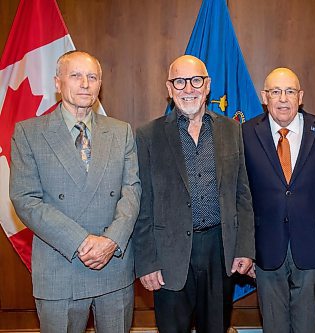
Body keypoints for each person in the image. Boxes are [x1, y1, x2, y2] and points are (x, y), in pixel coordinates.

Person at [9, 50, 141, 332]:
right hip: (60, 266)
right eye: (76, 75)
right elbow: (25, 199)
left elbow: (132, 191)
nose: (85, 83)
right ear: (58, 83)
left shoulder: (121, 132)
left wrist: (111, 241)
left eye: (92, 77)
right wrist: (81, 241)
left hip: (113, 266)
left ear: (100, 84)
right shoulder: (29, 133)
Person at [132, 55, 255, 333]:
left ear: (208, 85)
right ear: (169, 88)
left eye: (196, 80)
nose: (188, 89)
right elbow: (142, 205)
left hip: (220, 250)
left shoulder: (231, 129)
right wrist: (147, 262)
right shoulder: (148, 135)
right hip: (169, 256)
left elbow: (242, 194)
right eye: (179, 81)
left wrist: (245, 247)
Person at [242, 68, 315, 332]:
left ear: (300, 96)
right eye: (276, 92)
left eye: (290, 91)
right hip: (266, 247)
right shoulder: (245, 133)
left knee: (307, 325)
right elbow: (241, 196)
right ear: (264, 97)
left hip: (311, 246)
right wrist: (246, 249)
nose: (283, 98)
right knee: (274, 325)